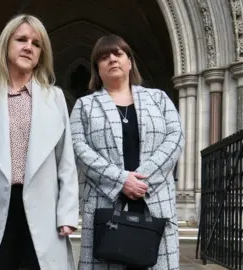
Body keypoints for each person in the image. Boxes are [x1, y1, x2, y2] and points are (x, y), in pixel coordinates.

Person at [0, 14, 79, 270]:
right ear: (6, 45)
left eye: (36, 43)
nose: (28, 46)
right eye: (21, 39)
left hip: (43, 210)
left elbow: (66, 162)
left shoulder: (54, 98)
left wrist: (67, 212)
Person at [70, 34, 184, 270]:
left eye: (118, 54)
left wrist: (141, 180)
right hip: (106, 203)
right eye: (104, 57)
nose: (112, 59)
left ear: (130, 62)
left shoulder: (158, 99)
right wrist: (122, 181)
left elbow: (175, 138)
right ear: (97, 69)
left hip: (153, 200)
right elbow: (79, 148)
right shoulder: (85, 106)